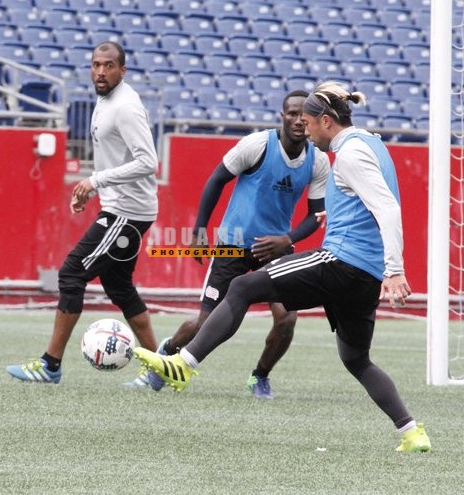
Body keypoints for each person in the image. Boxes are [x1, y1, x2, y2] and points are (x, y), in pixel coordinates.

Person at [134, 82, 432, 452]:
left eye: (309, 122)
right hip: (364, 277)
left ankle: (184, 364)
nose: (305, 129)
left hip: (341, 262)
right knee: (356, 359)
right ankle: (411, 432)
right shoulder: (371, 143)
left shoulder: (349, 155)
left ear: (326, 121)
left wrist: (395, 269)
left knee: (243, 288)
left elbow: (387, 208)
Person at [131, 91, 330, 398]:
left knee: (287, 319)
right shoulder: (257, 145)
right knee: (207, 323)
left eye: (303, 116)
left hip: (275, 249)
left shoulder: (318, 161)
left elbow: (316, 215)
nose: (298, 121)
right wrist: (199, 231)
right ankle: (167, 352)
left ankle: (260, 376)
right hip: (233, 244)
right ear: (282, 116)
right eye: (292, 114)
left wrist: (287, 240)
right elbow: (216, 180)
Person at [7, 41, 159, 384]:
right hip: (120, 207)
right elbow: (115, 158)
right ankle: (161, 368)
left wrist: (95, 181)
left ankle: (50, 365)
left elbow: (148, 162)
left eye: (108, 65)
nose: (101, 72)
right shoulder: (105, 99)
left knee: (71, 274)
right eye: (96, 65)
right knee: (119, 287)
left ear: (123, 70)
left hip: (128, 212)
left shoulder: (126, 107)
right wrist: (93, 190)